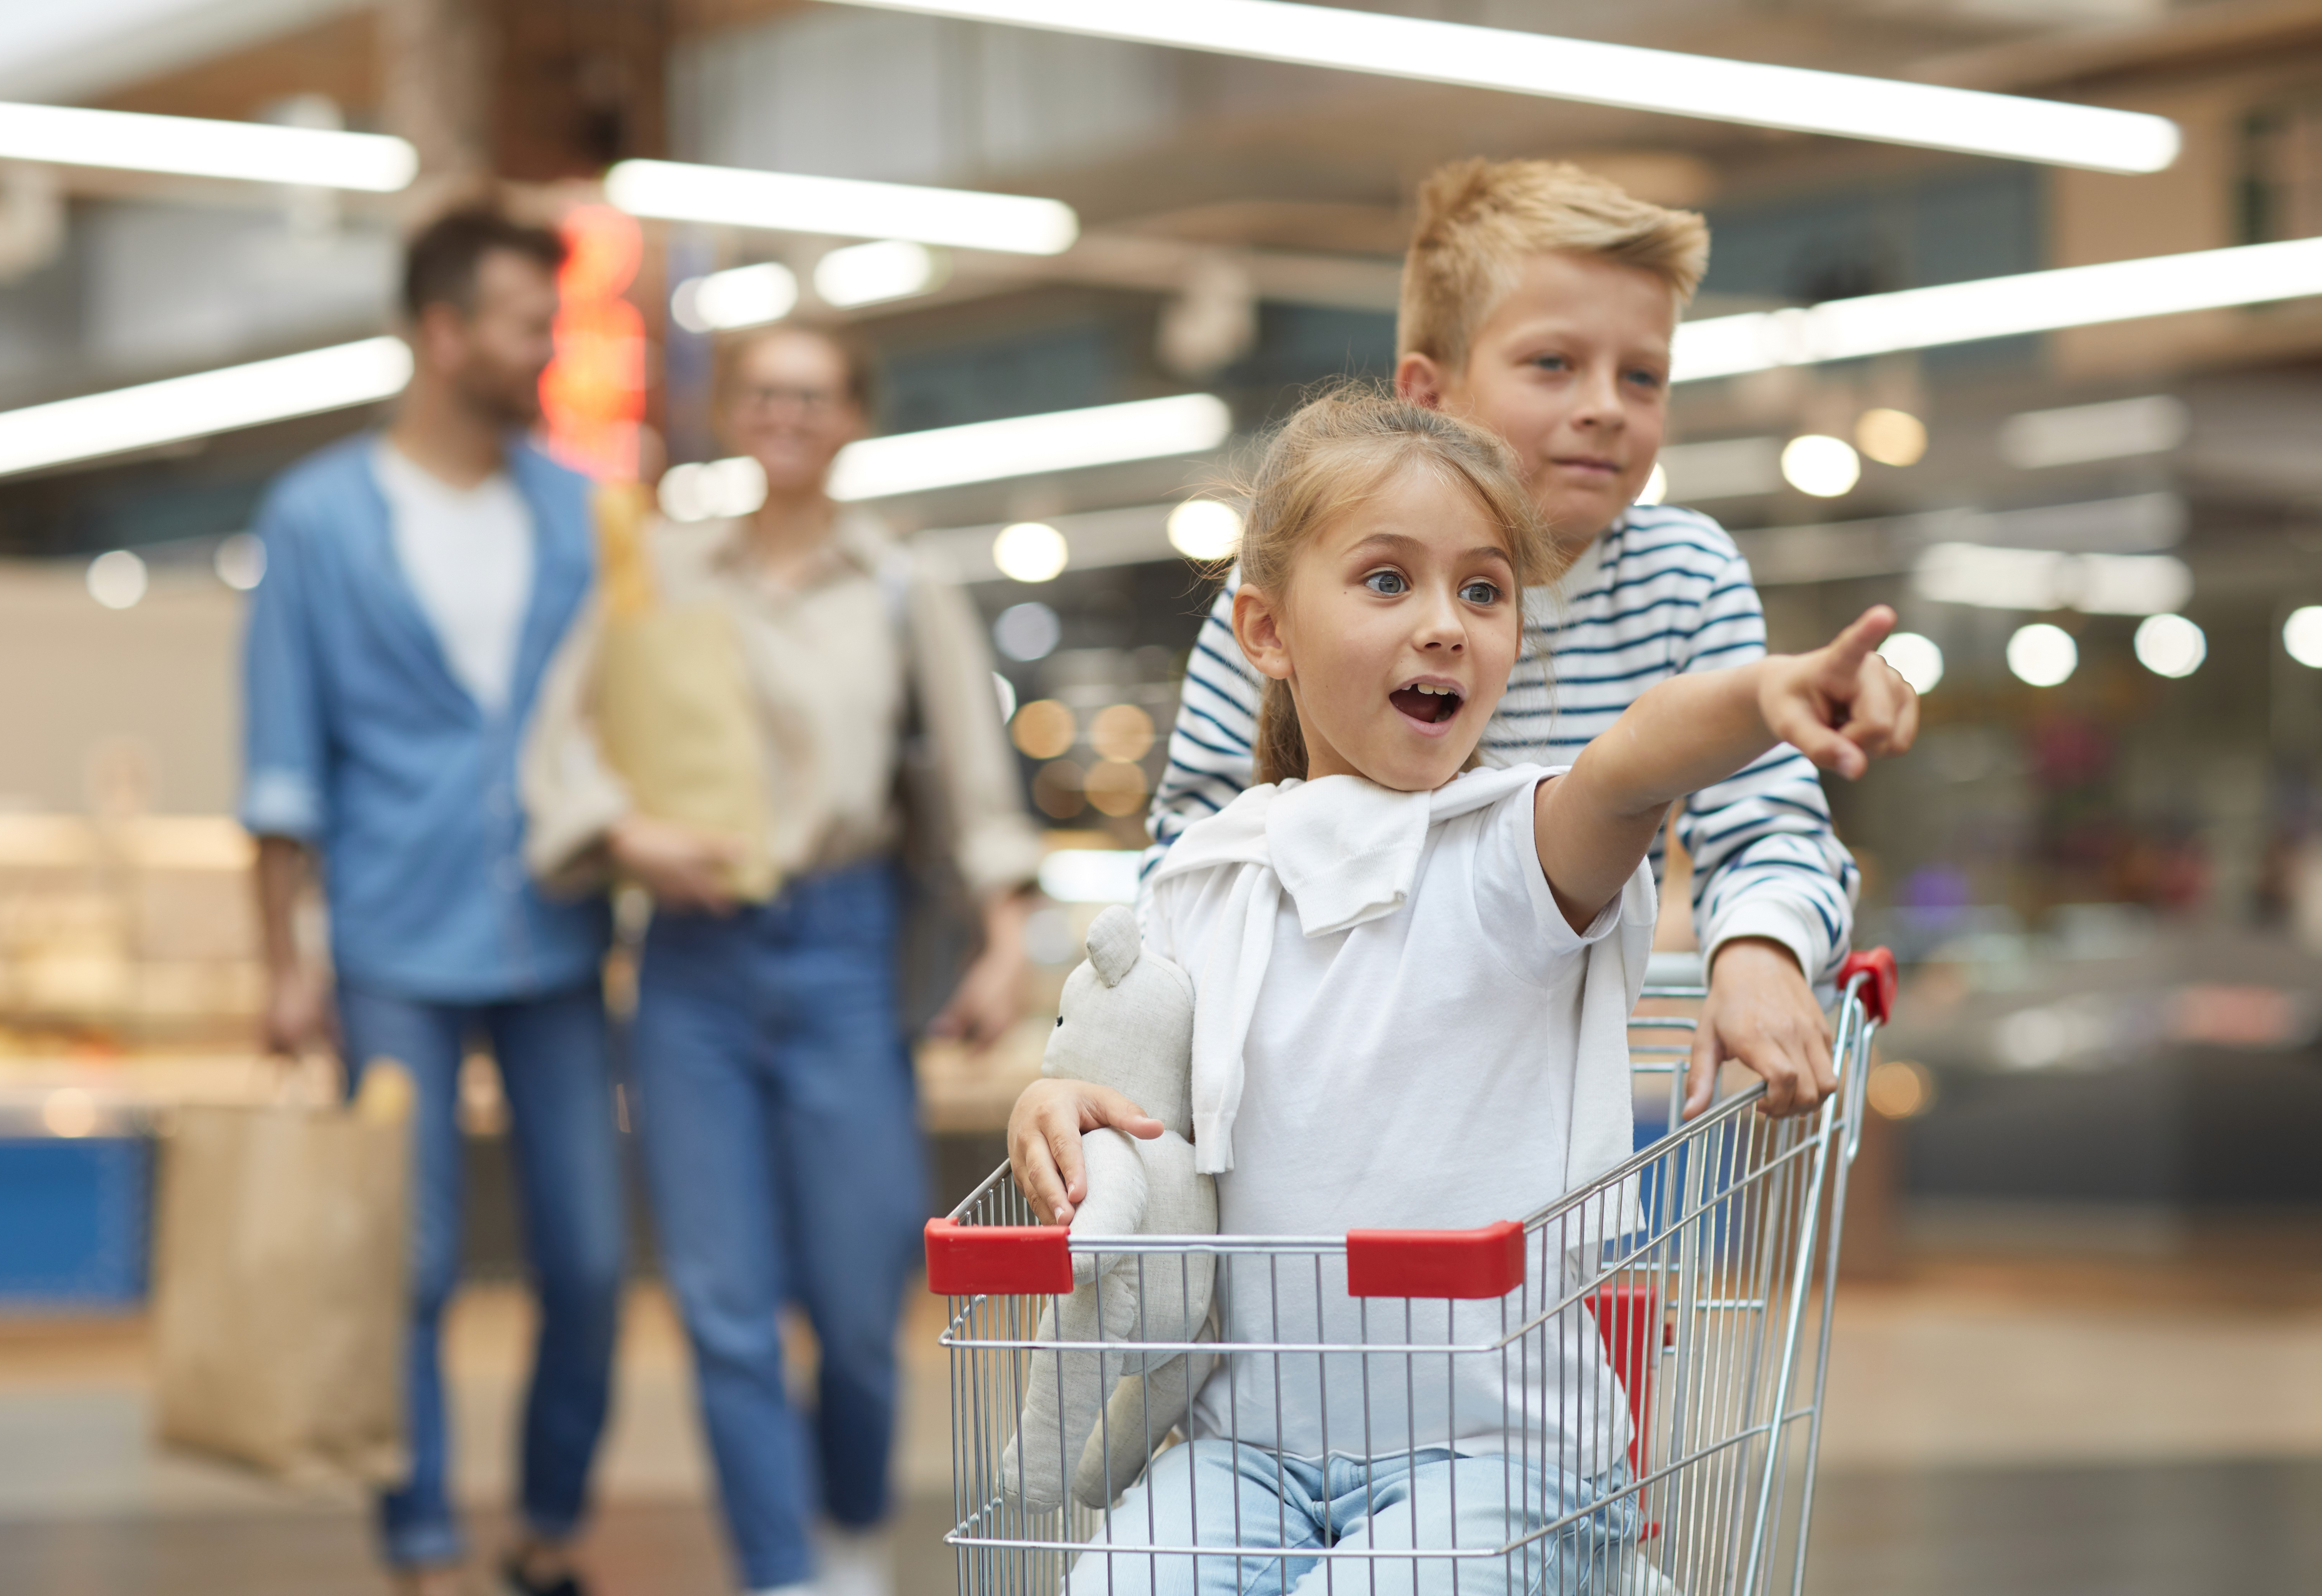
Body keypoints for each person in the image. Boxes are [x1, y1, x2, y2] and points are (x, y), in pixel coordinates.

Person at [1012, 388, 1910, 1592]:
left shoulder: (1511, 857)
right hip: (1249, 1454)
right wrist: (1058, 1100)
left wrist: (1760, 698)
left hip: (1508, 1463)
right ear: (1266, 633)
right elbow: (1124, 1084)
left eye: (1484, 591)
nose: (1446, 625)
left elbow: (1637, 757)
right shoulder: (1204, 883)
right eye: (1388, 582)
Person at [1143, 158, 1919, 1126]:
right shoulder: (1303, 591)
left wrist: (1758, 954)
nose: (1604, 404)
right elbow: (1192, 853)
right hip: (1322, 1083)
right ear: (1432, 395)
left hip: (1550, 1095)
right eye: (1553, 364)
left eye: (1643, 376)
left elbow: (1762, 823)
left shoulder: (1684, 575)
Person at [522, 322, 1043, 1596]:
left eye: (814, 395)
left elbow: (979, 780)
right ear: (731, 413)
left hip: (845, 950)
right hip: (692, 964)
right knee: (723, 1306)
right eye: (764, 392)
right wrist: (626, 834)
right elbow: (560, 739)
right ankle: (779, 1571)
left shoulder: (898, 583)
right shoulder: (662, 571)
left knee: (861, 1312)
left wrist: (1004, 937)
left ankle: (850, 1532)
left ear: (854, 414)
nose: (788, 414)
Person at [242, 210, 624, 1596]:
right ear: (445, 332)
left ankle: (549, 1517)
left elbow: (625, 716)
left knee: (587, 1255)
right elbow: (281, 760)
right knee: (404, 1264)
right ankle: (417, 1544)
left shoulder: (585, 513)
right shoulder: (320, 517)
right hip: (390, 940)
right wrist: (281, 962)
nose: (550, 349)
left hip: (561, 929)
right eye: (530, 322)